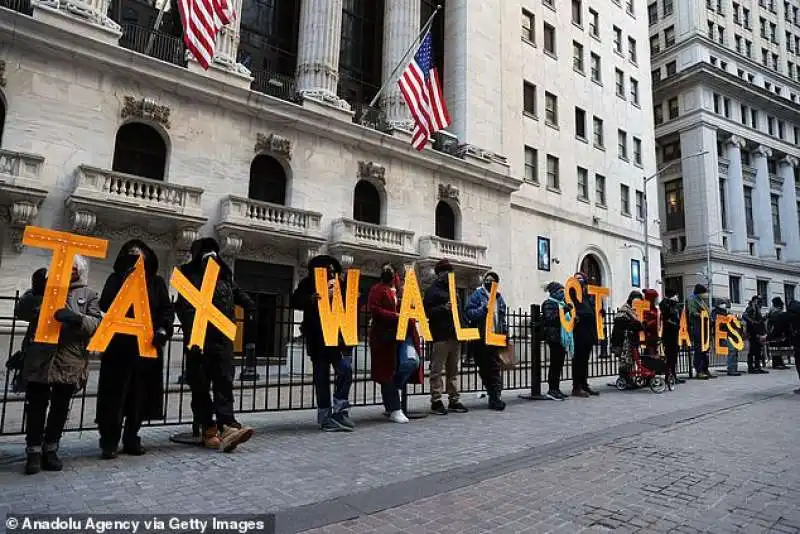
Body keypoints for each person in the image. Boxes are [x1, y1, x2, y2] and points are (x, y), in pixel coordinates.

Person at [15, 256, 101, 474]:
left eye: (75, 269)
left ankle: (51, 449)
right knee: (35, 405)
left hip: (69, 359)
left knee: (60, 407)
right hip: (40, 357)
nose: (70, 272)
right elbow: (22, 312)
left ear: (79, 271)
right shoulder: (46, 287)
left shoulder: (88, 294)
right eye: (67, 268)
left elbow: (97, 324)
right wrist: (36, 293)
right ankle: (33, 450)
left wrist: (76, 318)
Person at [96, 240, 174, 459]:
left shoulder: (156, 282)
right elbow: (105, 305)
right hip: (118, 348)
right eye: (130, 253)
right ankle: (109, 441)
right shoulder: (115, 279)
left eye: (139, 254)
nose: (135, 257)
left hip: (146, 347)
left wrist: (162, 330)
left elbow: (166, 310)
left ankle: (132, 436)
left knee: (139, 396)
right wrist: (124, 280)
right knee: (114, 395)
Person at [174, 238, 255, 451]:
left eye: (213, 253)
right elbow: (184, 307)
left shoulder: (224, 275)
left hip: (222, 339)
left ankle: (227, 426)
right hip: (199, 340)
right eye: (206, 252)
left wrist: (250, 306)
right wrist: (194, 333)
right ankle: (208, 429)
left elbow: (237, 293)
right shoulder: (188, 275)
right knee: (200, 386)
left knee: (224, 382)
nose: (210, 257)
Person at [291, 255, 355, 431]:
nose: (332, 271)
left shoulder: (338, 284)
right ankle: (325, 417)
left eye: (334, 269)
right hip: (317, 340)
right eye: (328, 268)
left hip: (336, 339)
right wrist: (314, 298)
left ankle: (340, 410)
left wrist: (353, 298)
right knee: (322, 378)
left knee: (345, 370)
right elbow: (295, 301)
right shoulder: (308, 284)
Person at [368, 263, 422, 424]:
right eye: (385, 269)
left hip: (405, 334)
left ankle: (394, 391)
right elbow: (375, 309)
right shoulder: (377, 289)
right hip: (385, 338)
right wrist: (396, 315)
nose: (389, 272)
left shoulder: (402, 290)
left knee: (411, 361)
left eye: (391, 269)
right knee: (387, 371)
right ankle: (394, 407)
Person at [422, 259, 469, 415]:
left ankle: (453, 399)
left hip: (455, 335)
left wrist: (463, 329)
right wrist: (443, 308)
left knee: (453, 369)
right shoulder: (432, 291)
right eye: (447, 272)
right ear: (440, 274)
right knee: (437, 369)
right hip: (441, 335)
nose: (449, 274)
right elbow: (426, 312)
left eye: (451, 272)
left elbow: (460, 312)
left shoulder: (454, 290)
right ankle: (436, 400)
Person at [465, 271, 508, 411]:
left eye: (492, 280)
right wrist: (483, 310)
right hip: (481, 338)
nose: (489, 282)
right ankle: (492, 394)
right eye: (487, 279)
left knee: (494, 367)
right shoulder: (477, 295)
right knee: (484, 368)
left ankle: (496, 396)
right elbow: (469, 313)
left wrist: (505, 332)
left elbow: (502, 317)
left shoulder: (498, 297)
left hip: (495, 337)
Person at [541, 281, 573, 400]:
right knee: (555, 364)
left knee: (559, 364)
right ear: (553, 292)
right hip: (554, 337)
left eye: (563, 291)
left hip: (562, 337)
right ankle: (552, 389)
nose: (562, 294)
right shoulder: (548, 304)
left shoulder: (561, 303)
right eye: (560, 292)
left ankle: (556, 388)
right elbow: (551, 318)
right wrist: (564, 310)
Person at [570, 272, 599, 397]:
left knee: (585, 361)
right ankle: (577, 387)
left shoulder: (588, 297)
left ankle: (584, 384)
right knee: (578, 360)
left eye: (582, 281)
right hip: (578, 332)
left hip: (588, 333)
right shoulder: (572, 296)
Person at [611, 290, 644, 388]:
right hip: (624, 339)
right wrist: (635, 325)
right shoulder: (625, 309)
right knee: (625, 360)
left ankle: (629, 379)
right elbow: (620, 323)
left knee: (631, 360)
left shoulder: (633, 309)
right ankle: (625, 379)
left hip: (631, 339)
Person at [687, 284, 712, 379]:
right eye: (704, 293)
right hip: (698, 327)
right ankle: (699, 370)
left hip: (705, 327)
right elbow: (693, 312)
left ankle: (705, 369)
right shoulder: (692, 300)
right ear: (699, 293)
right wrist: (702, 315)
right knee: (699, 349)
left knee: (705, 349)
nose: (705, 294)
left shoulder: (701, 300)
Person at [658, 291, 684, 384]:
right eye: (676, 296)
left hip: (674, 334)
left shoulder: (674, 306)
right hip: (669, 335)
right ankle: (669, 376)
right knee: (670, 357)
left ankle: (673, 375)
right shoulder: (666, 305)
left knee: (673, 357)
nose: (677, 298)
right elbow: (667, 318)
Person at [711, 299, 740, 376]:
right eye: (722, 303)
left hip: (728, 335)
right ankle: (731, 369)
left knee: (734, 349)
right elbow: (715, 322)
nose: (724, 305)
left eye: (724, 303)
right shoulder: (715, 313)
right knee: (732, 349)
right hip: (721, 335)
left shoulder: (726, 312)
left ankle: (733, 368)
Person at [742, 296, 768, 374]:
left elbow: (758, 321)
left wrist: (763, 319)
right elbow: (744, 316)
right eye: (759, 301)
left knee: (758, 350)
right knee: (753, 350)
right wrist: (753, 322)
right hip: (753, 333)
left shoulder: (756, 309)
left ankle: (757, 367)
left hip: (757, 332)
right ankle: (751, 368)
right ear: (754, 301)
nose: (760, 304)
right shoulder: (751, 308)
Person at [766, 297, 791, 370]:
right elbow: (775, 323)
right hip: (775, 332)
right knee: (776, 347)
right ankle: (777, 364)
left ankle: (779, 363)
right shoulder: (776, 312)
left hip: (774, 332)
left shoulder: (773, 311)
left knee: (777, 348)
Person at [642, 289, 660, 356]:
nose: (657, 300)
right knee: (650, 357)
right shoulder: (646, 309)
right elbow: (645, 323)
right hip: (650, 339)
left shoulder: (654, 309)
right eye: (655, 298)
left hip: (655, 337)